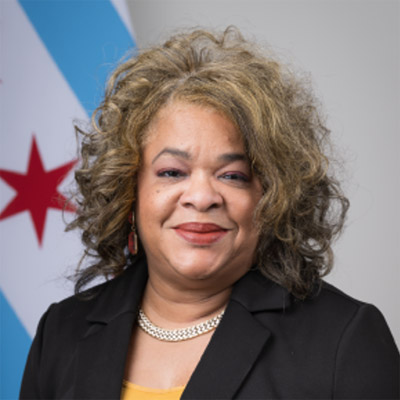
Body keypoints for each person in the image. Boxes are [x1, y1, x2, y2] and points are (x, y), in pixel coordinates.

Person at [20, 27, 399, 399]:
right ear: (128, 191)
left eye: (233, 176)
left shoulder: (344, 341)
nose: (202, 198)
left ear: (273, 197)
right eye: (172, 172)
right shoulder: (61, 332)